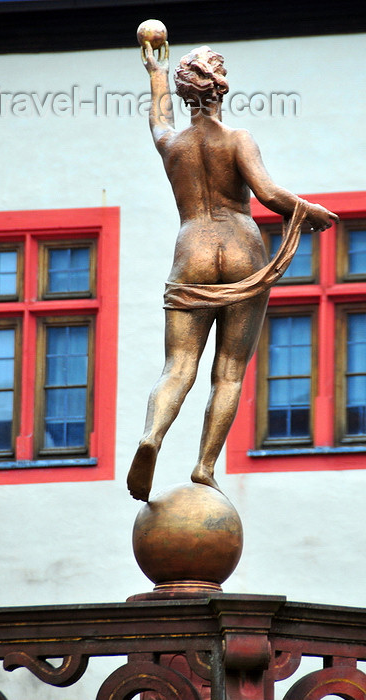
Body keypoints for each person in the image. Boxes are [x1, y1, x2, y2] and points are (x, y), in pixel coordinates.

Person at [127, 42, 338, 502]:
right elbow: (268, 194)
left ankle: (152, 437)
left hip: (192, 249)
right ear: (221, 89)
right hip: (241, 247)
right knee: (229, 370)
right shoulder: (237, 138)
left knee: (178, 366)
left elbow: (158, 121)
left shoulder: (172, 144)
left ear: (186, 93)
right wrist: (312, 210)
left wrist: (156, 72)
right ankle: (204, 466)